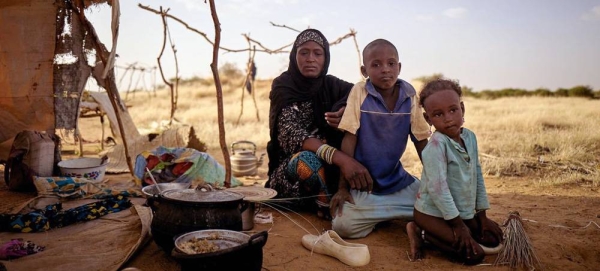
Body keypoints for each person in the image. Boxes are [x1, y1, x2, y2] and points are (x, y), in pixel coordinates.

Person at [330, 39, 430, 238]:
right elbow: (350, 138)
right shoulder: (359, 92)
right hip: (364, 186)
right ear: (364, 70)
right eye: (376, 65)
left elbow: (421, 141)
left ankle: (381, 214)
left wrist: (435, 182)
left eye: (391, 63)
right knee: (342, 226)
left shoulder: (409, 95)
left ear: (399, 67)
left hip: (398, 182)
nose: (385, 69)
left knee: (438, 205)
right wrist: (342, 188)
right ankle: (399, 214)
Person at [265, 29, 369, 218]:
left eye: (317, 53)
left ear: (325, 57)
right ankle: (324, 204)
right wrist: (342, 159)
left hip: (332, 166)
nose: (310, 58)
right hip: (293, 172)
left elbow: (362, 94)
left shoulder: (333, 85)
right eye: (304, 52)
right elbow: (292, 134)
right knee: (307, 161)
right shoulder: (283, 86)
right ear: (294, 56)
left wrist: (346, 110)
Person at [406, 79, 503, 264]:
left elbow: (477, 175)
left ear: (462, 109)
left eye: (453, 110)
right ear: (428, 119)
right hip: (431, 214)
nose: (448, 118)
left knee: (491, 238)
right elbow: (438, 190)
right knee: (474, 254)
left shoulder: (470, 137)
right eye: (438, 114)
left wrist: (482, 217)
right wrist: (459, 226)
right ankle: (421, 233)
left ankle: (453, 229)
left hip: (460, 211)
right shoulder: (436, 146)